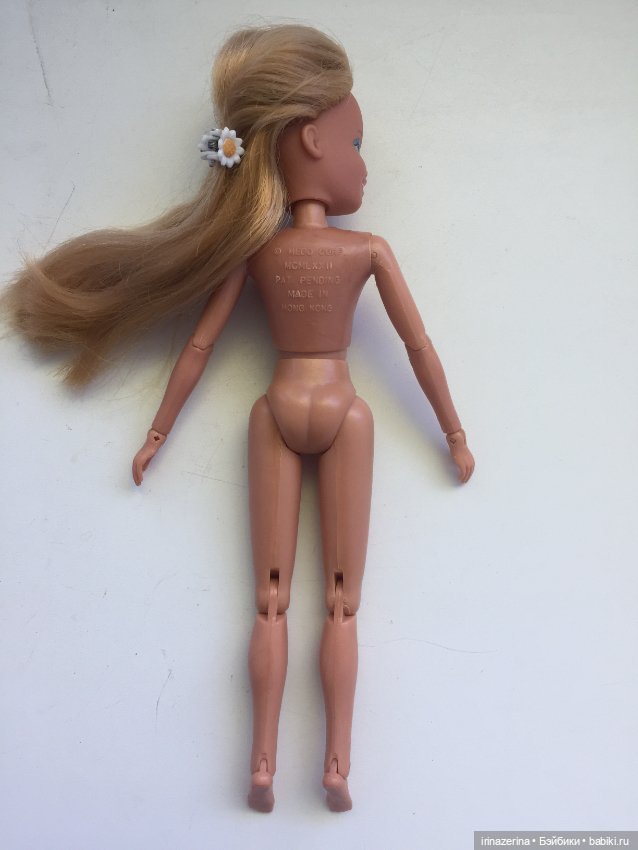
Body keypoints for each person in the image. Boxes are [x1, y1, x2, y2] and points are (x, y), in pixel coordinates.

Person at [3, 24, 474, 813]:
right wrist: (453, 432)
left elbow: (200, 345)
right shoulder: (367, 251)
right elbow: (417, 346)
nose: (363, 162)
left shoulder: (258, 254)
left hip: (274, 411)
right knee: (342, 599)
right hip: (344, 411)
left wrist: (157, 433)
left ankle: (262, 763)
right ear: (312, 139)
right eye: (355, 142)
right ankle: (336, 764)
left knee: (269, 598)